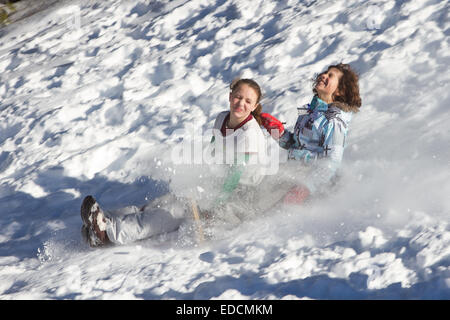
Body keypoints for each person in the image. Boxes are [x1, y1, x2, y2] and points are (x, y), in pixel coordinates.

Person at [80, 78, 269, 247]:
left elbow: (234, 177)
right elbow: (214, 153)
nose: (241, 103)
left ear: (254, 106)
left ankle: (110, 233)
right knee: (162, 203)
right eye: (238, 97)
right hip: (218, 183)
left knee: (173, 211)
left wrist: (213, 204)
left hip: (238, 197)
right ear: (230, 96)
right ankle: (104, 222)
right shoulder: (222, 118)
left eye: (248, 101)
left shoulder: (250, 135)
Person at [259, 63, 362, 205]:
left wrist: (306, 188)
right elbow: (294, 145)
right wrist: (277, 131)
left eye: (330, 75)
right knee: (261, 191)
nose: (324, 75)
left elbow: (332, 162)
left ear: (340, 91)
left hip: (313, 186)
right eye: (325, 72)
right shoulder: (310, 112)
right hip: (294, 174)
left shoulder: (334, 121)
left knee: (269, 211)